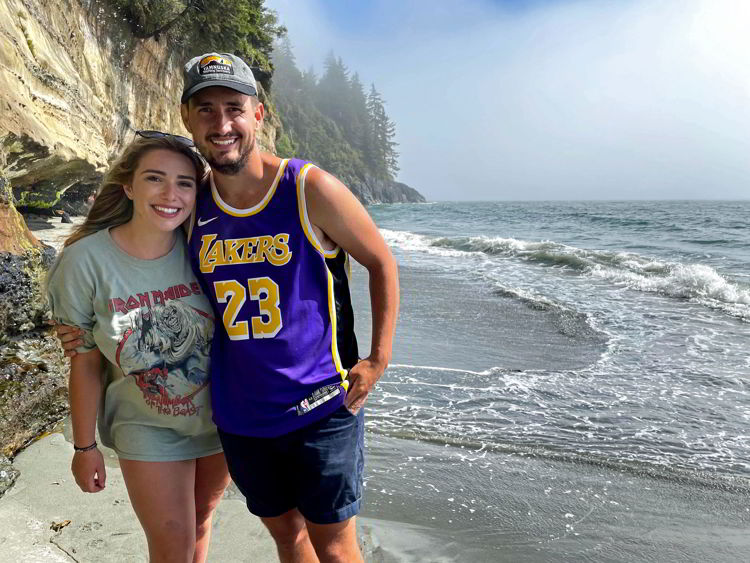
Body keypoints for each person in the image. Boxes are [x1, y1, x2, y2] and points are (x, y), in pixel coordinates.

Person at [59, 51, 400, 563]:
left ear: (257, 113)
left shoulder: (307, 188)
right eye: (206, 110)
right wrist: (79, 328)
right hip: (239, 415)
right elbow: (139, 269)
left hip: (320, 403)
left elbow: (382, 263)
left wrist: (378, 358)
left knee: (334, 546)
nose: (222, 123)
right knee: (286, 535)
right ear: (187, 118)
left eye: (234, 108)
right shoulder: (196, 207)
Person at [47, 133, 231, 563]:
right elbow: (85, 362)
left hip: (222, 419)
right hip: (146, 427)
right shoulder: (84, 261)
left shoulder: (207, 249)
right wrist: (84, 447)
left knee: (200, 523)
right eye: (155, 179)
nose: (171, 194)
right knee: (171, 542)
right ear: (129, 186)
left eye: (185, 183)